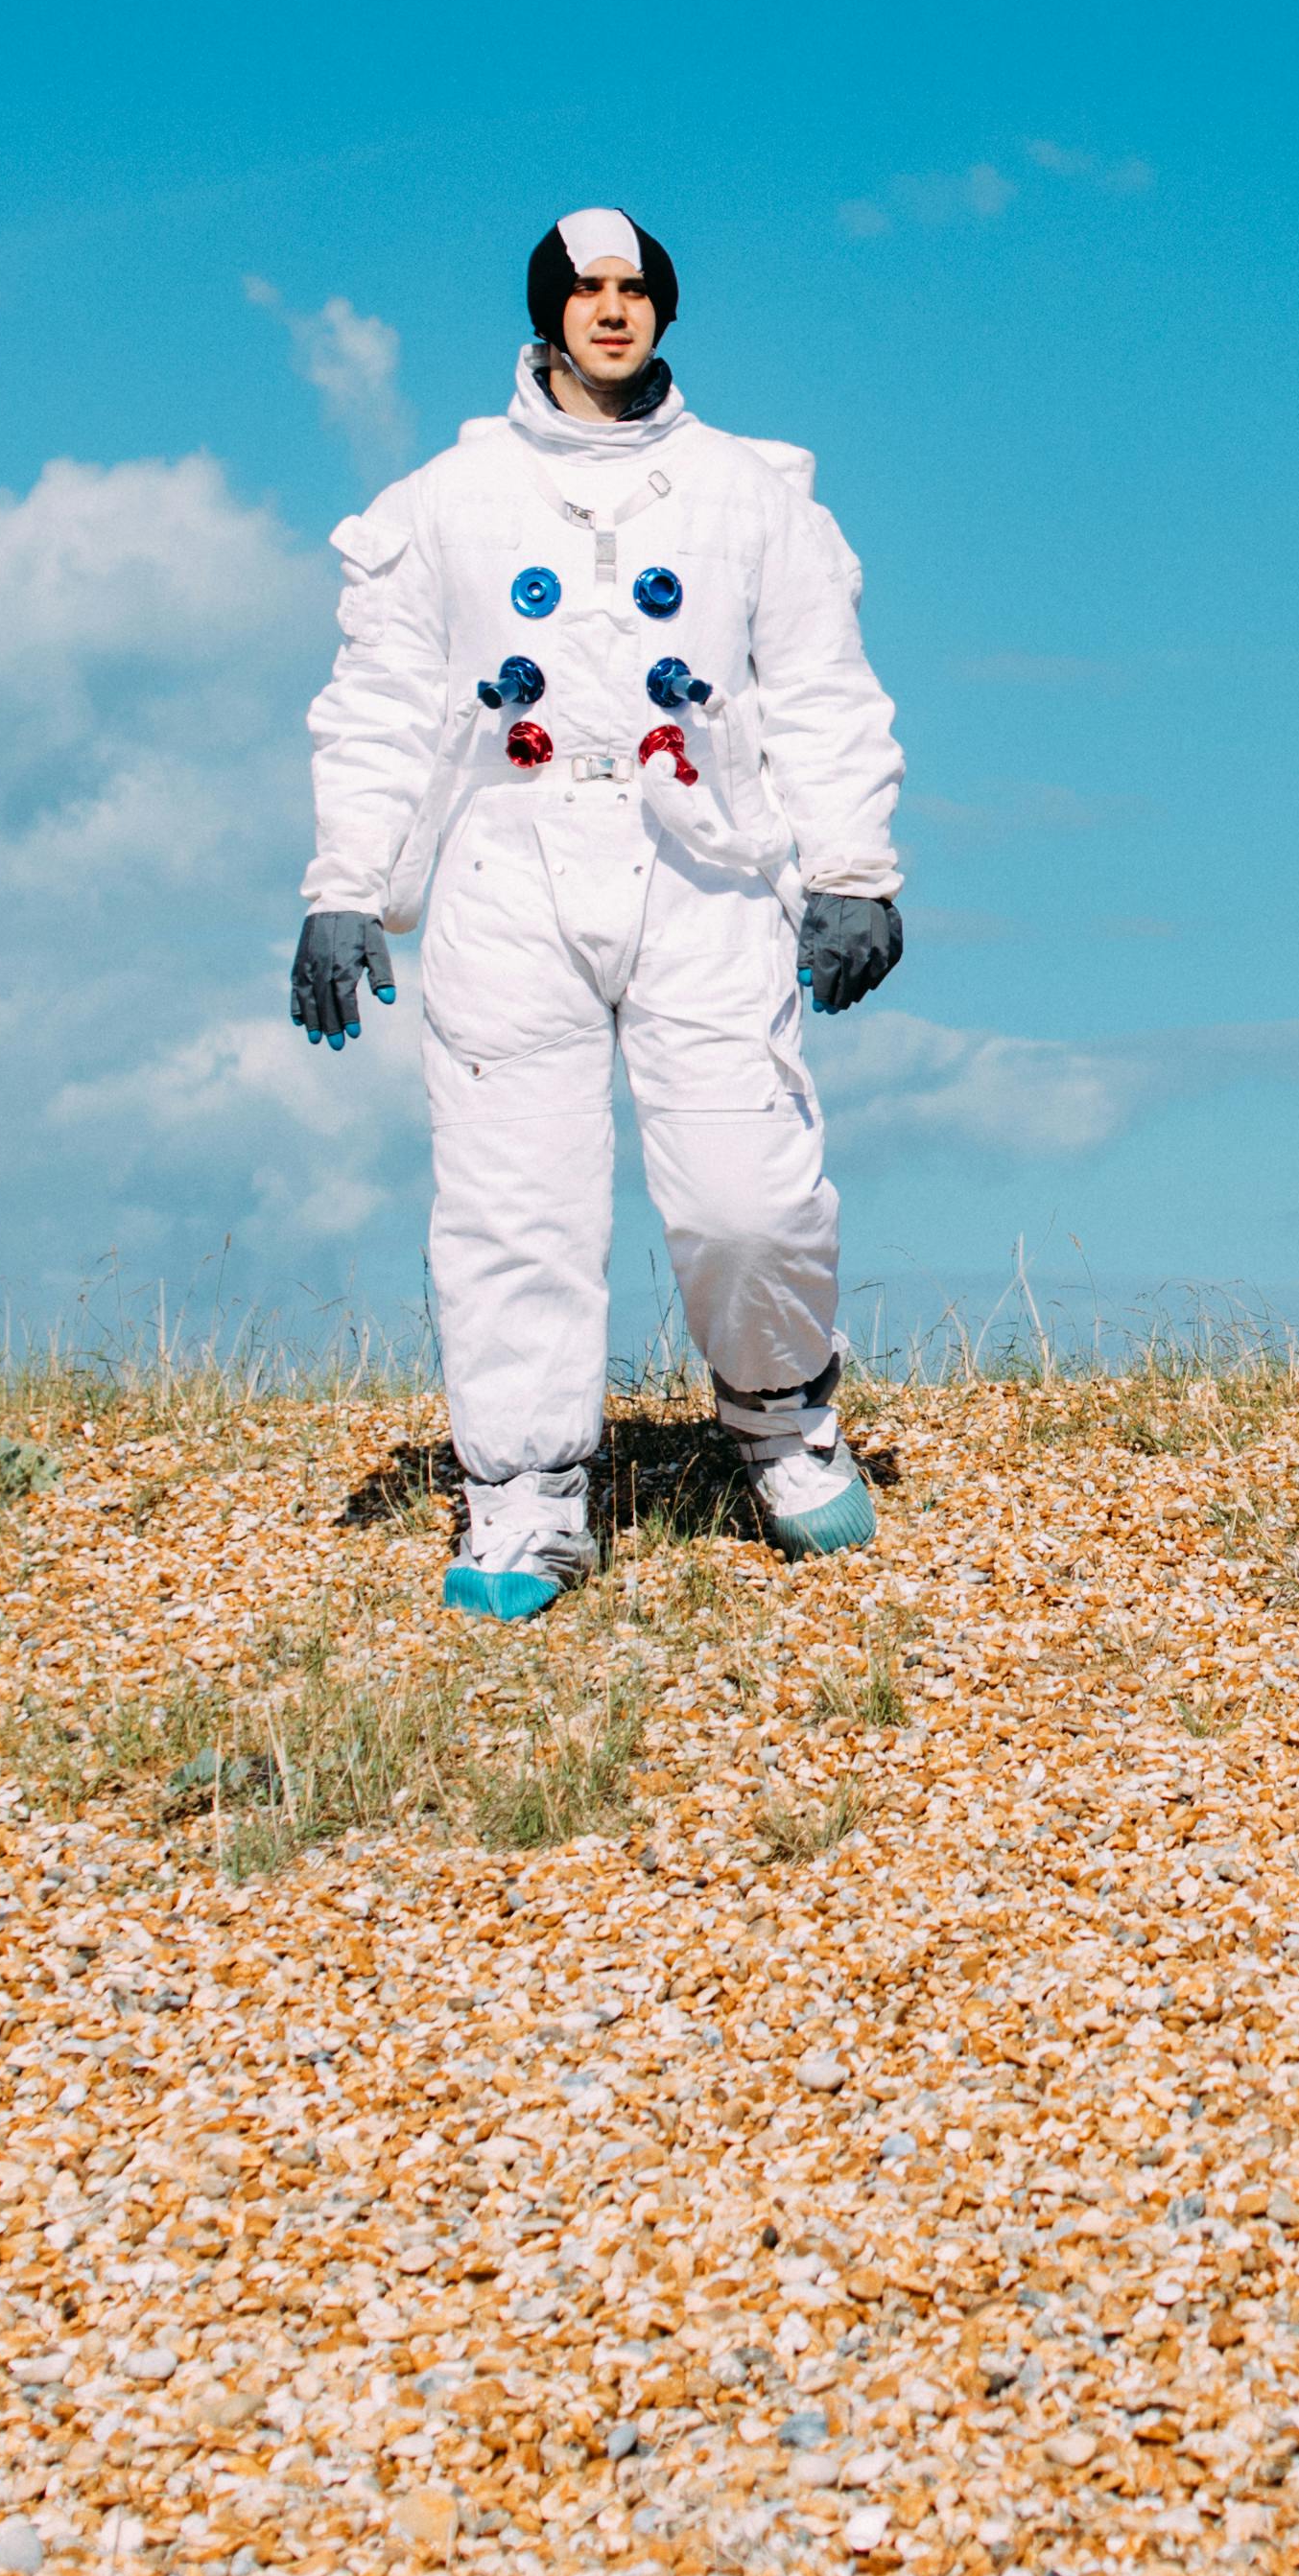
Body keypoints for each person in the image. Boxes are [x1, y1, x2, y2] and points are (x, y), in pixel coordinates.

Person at [287, 210, 911, 1615]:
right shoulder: (441, 502)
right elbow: (379, 709)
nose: (612, 312)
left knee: (748, 1192)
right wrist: (347, 892)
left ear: (665, 312)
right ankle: (524, 1494)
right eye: (588, 290)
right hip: (508, 871)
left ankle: (780, 1418)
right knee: (514, 1199)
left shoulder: (754, 494)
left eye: (635, 290)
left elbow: (821, 687)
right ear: (548, 312)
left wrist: (854, 868)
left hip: (706, 863)